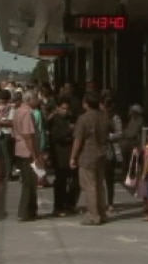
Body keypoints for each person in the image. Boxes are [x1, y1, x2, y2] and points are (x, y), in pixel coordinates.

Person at [69, 91, 109, 226]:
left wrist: (73, 156)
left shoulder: (83, 118)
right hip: (102, 153)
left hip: (87, 155)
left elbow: (78, 140)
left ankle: (93, 215)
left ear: (86, 104)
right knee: (99, 185)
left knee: (89, 186)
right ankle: (102, 213)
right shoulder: (104, 116)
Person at [13, 91, 41, 222]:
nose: (38, 101)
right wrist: (35, 155)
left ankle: (31, 210)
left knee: (28, 181)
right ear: (30, 100)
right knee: (29, 183)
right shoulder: (27, 113)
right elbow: (28, 135)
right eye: (36, 98)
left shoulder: (18, 111)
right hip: (27, 151)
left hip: (19, 149)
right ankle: (25, 212)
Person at [48, 97, 77, 216]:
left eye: (67, 108)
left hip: (68, 154)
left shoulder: (69, 119)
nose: (65, 111)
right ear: (57, 108)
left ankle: (69, 204)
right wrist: (69, 131)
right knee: (61, 182)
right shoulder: (54, 120)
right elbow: (57, 136)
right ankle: (59, 207)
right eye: (63, 108)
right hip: (59, 156)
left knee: (74, 181)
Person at [102, 95, 124, 214]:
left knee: (109, 180)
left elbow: (120, 133)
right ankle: (102, 202)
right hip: (100, 150)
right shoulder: (99, 116)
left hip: (111, 151)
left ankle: (110, 203)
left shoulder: (115, 119)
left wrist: (109, 137)